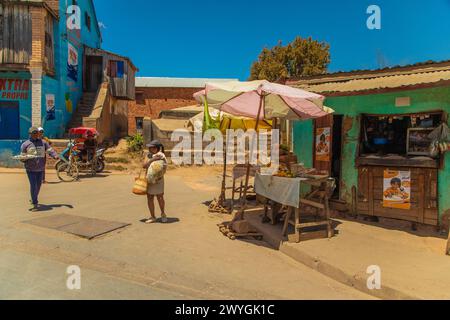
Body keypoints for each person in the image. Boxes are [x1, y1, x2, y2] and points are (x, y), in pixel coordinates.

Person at [21, 127, 59, 212]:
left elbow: (50, 150)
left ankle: (34, 197)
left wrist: (55, 155)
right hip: (30, 169)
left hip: (41, 168)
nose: (35, 135)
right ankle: (35, 203)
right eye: (33, 133)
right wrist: (23, 158)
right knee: (33, 185)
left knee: (38, 186)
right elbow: (22, 156)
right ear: (29, 134)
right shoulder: (25, 144)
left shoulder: (43, 142)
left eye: (36, 133)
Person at [143, 140, 168, 224]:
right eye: (149, 147)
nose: (149, 149)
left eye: (151, 147)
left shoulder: (161, 155)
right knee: (150, 198)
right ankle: (152, 216)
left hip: (159, 180)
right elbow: (144, 166)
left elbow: (164, 166)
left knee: (160, 197)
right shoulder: (148, 155)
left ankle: (163, 214)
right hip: (149, 180)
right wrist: (152, 160)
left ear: (156, 148)